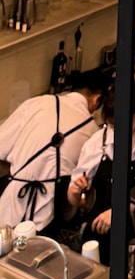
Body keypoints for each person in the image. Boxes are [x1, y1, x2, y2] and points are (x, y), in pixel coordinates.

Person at [0, 67, 108, 232]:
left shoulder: (36, 104)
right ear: (97, 100)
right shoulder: (95, 133)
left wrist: (22, 169)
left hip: (9, 209)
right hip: (48, 216)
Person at [62, 74, 135, 265]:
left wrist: (121, 211)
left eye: (125, 124)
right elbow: (74, 201)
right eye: (112, 125)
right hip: (102, 237)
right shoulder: (97, 143)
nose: (118, 132)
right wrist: (76, 193)